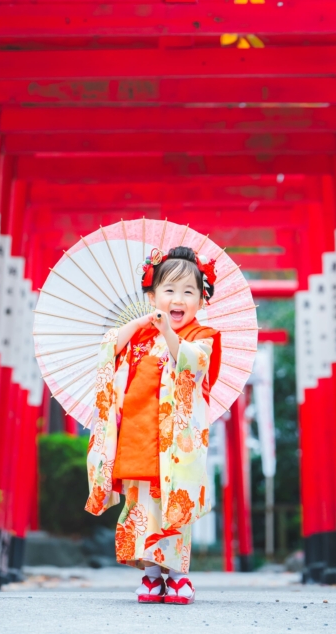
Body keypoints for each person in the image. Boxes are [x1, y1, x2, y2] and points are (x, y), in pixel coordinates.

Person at [85, 244, 221, 605]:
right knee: (141, 506)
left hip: (177, 444)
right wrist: (144, 323)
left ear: (201, 301)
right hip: (138, 437)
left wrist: (169, 335)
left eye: (189, 291)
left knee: (175, 504)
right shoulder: (140, 337)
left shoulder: (201, 337)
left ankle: (178, 576)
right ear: (152, 295)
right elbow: (109, 349)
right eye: (169, 290)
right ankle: (150, 575)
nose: (178, 299)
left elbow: (192, 364)